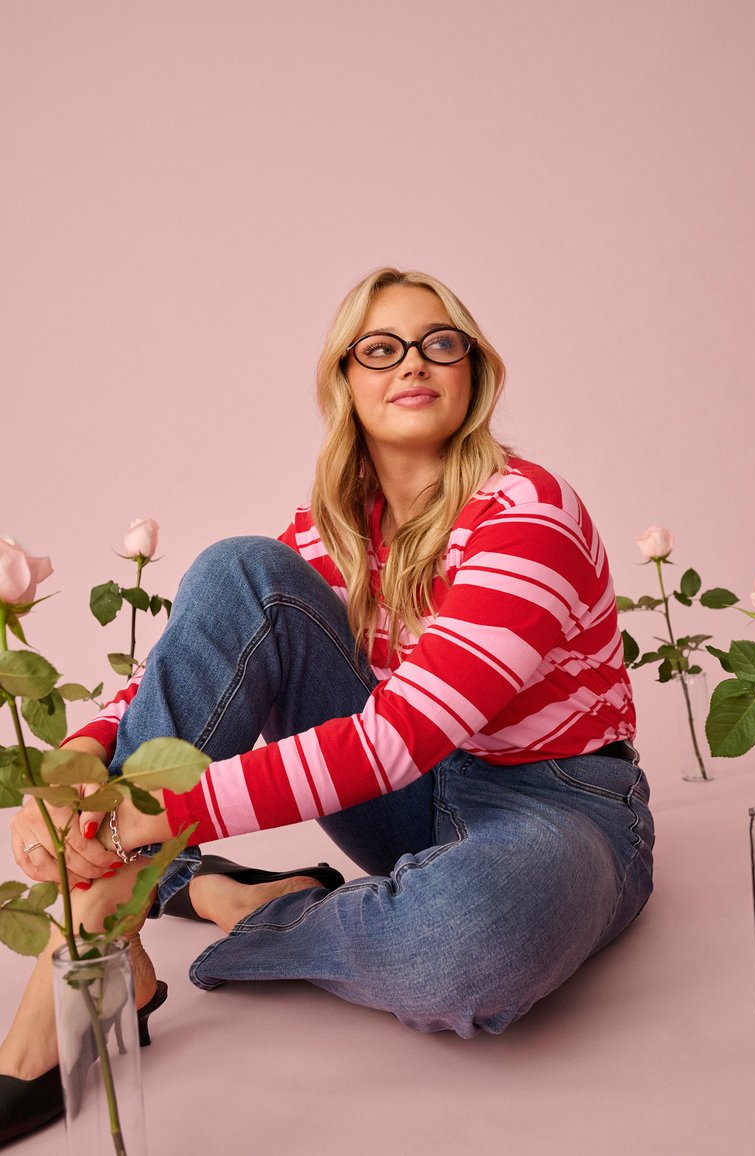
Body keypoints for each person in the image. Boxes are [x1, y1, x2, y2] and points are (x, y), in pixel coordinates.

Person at [0, 268, 654, 1145]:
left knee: (466, 946)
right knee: (240, 571)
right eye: (380, 349)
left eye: (440, 343)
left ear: (473, 371)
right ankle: (88, 935)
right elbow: (195, 657)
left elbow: (397, 736)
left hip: (561, 807)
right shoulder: (335, 527)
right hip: (416, 800)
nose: (412, 364)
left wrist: (146, 818)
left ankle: (236, 905)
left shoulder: (528, 512)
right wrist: (80, 765)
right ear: (345, 379)